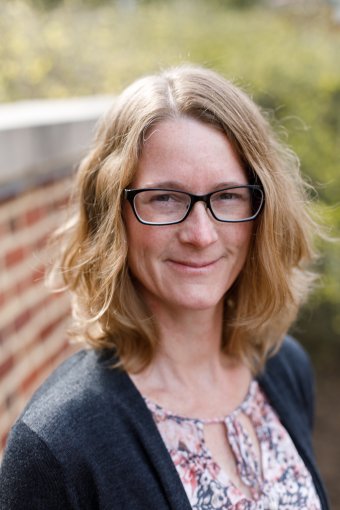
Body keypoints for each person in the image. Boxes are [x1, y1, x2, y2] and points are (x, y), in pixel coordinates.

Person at [0, 65, 329, 510]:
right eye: (165, 198)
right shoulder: (59, 446)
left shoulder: (283, 368)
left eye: (227, 195)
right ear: (114, 216)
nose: (201, 234)